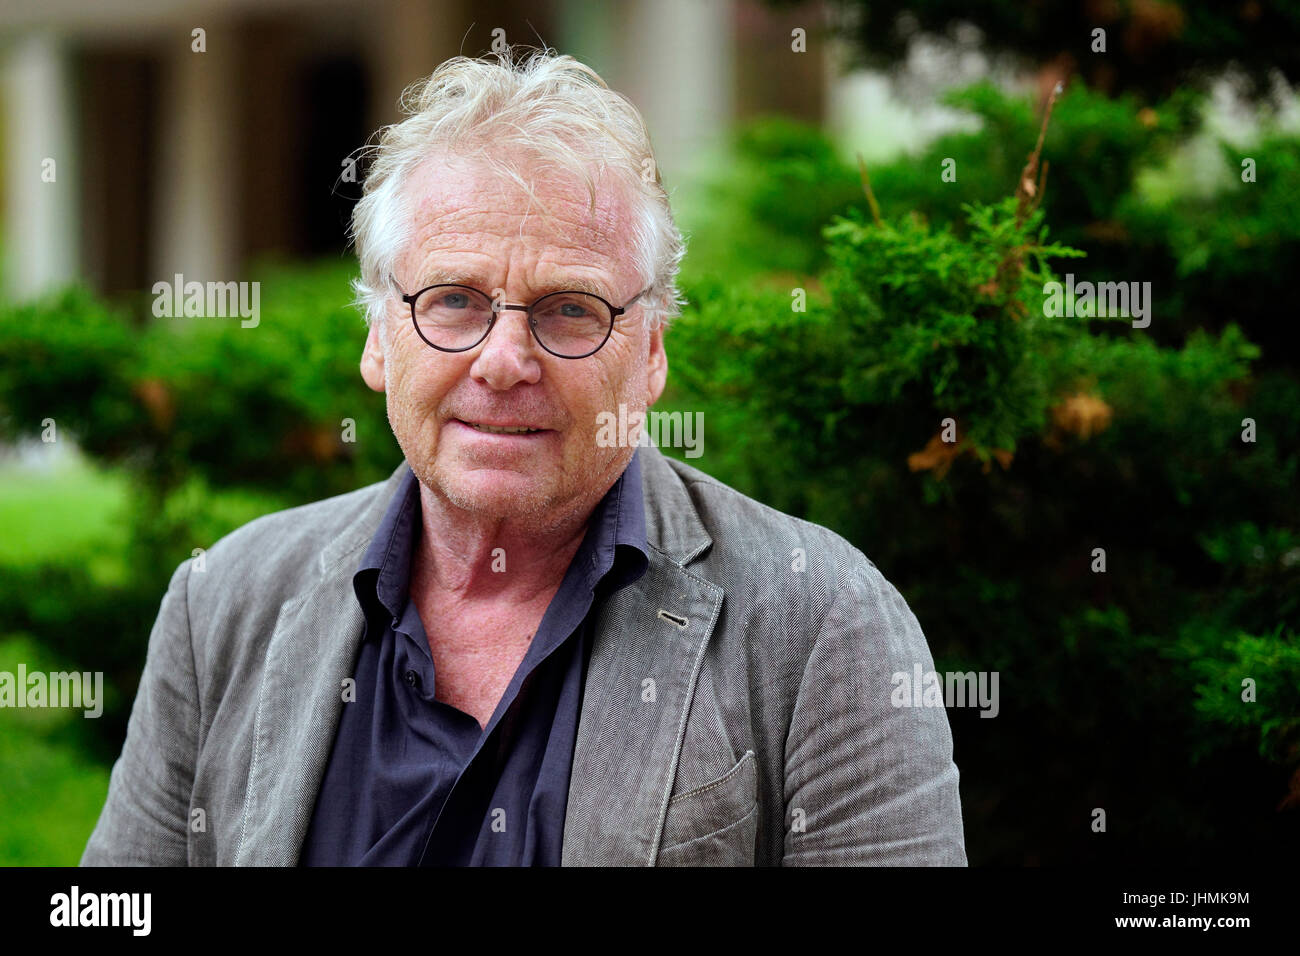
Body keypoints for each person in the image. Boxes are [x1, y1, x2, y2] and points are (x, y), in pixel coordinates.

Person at [81, 47, 966, 866]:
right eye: (455, 301)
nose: (505, 362)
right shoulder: (223, 605)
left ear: (652, 350)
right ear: (379, 338)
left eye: (570, 310)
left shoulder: (822, 623)